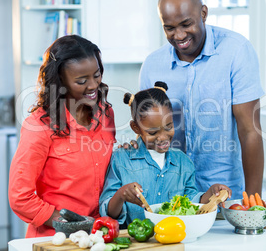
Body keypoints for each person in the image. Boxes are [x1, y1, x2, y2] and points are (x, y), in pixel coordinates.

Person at [138, 0, 264, 201]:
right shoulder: (152, 64)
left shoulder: (236, 51)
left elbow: (249, 131)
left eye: (186, 24)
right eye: (169, 28)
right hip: (171, 196)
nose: (179, 35)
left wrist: (254, 203)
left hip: (225, 195)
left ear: (203, 13)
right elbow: (146, 132)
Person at [8, 35, 116, 238]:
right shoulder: (39, 126)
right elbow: (19, 197)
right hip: (55, 238)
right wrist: (68, 224)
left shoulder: (106, 114)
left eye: (97, 75)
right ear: (60, 81)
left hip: (99, 234)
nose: (93, 86)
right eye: (81, 81)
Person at [99, 81, 231, 225]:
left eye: (168, 127)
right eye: (153, 132)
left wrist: (210, 194)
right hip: (136, 241)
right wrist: (121, 195)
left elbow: (190, 202)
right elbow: (107, 212)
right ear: (136, 128)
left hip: (174, 238)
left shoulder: (183, 162)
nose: (162, 137)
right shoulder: (121, 159)